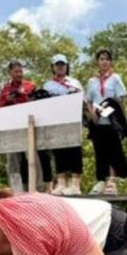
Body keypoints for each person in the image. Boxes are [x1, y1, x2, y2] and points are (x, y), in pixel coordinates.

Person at [0, 60, 53, 193]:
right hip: (11, 128)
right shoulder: (5, 89)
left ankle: (38, 187)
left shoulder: (30, 86)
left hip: (28, 126)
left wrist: (25, 97)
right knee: (13, 160)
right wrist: (7, 100)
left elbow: (39, 103)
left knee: (32, 156)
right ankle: (16, 188)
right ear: (10, 72)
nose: (19, 74)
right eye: (16, 71)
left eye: (21, 71)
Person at [85, 49, 127, 195]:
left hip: (111, 119)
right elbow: (89, 101)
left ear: (111, 62)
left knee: (114, 151)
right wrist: (93, 114)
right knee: (100, 151)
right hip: (97, 121)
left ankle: (112, 181)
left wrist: (118, 114)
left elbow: (121, 98)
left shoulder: (115, 78)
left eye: (107, 59)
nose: (104, 62)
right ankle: (101, 181)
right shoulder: (92, 81)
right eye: (101, 59)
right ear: (97, 62)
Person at [42, 54, 86, 196]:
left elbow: (83, 100)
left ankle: (75, 185)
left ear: (67, 66)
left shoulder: (74, 82)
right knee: (59, 152)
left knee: (74, 151)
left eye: (63, 64)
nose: (60, 67)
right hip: (56, 121)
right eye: (57, 64)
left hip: (73, 120)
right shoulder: (48, 85)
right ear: (53, 67)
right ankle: (61, 184)